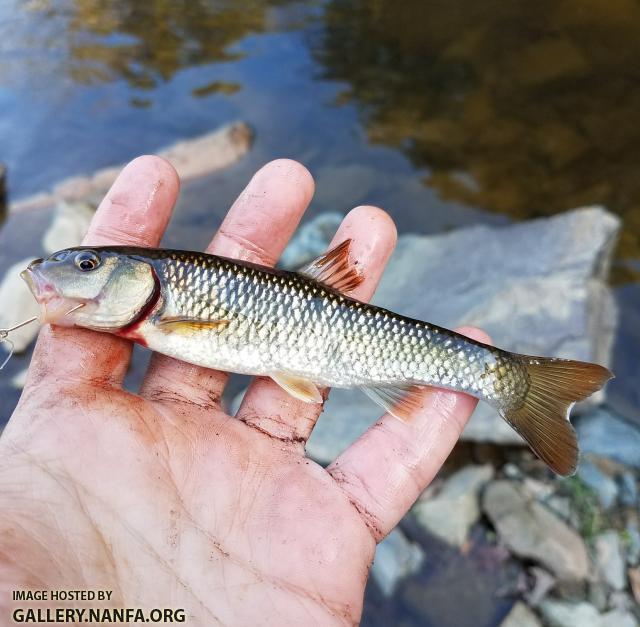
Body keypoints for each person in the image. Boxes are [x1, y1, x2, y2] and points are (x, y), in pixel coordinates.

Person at [0, 157, 489, 625]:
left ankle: (503, 380)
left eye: (87, 266)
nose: (73, 273)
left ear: (144, 278)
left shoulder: (170, 308)